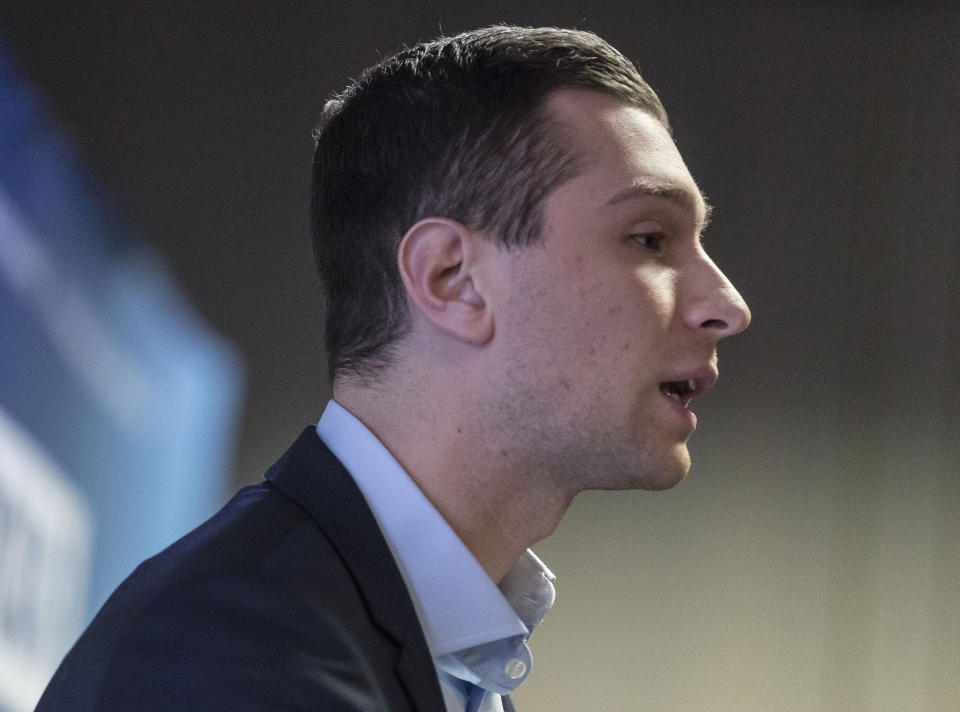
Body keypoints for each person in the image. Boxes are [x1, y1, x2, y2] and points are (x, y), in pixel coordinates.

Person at [35, 25, 750, 712]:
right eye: (650, 238)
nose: (727, 304)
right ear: (451, 280)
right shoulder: (232, 648)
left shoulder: (391, 639)